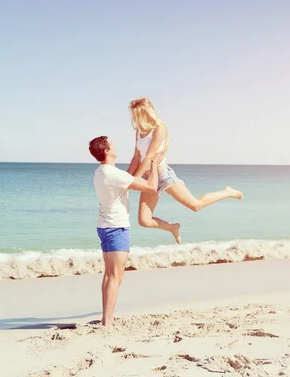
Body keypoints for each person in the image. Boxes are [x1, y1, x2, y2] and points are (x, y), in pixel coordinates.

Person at [126, 97, 243, 244]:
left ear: (146, 113)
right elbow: (136, 158)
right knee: (144, 221)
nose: (134, 118)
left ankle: (228, 192)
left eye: (137, 114)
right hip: (149, 178)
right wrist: (126, 179)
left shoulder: (158, 129)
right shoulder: (139, 131)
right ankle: (172, 228)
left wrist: (135, 179)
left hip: (162, 175)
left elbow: (149, 156)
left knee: (195, 205)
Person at [89, 135, 163, 327]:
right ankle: (107, 321)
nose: (114, 146)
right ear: (106, 151)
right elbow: (151, 187)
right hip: (116, 228)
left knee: (110, 274)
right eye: (111, 144)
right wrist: (154, 164)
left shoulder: (103, 172)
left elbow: (130, 173)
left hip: (105, 226)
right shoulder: (112, 174)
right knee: (115, 275)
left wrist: (138, 154)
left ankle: (107, 318)